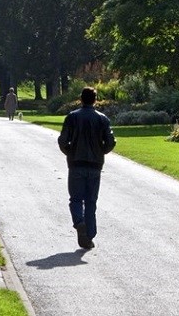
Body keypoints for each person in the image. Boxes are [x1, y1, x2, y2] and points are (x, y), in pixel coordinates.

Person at [57, 87, 116, 249]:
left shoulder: (72, 117)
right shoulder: (102, 119)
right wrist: (100, 151)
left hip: (76, 163)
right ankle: (89, 235)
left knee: (76, 199)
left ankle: (79, 222)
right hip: (95, 164)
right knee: (91, 201)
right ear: (95, 100)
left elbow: (62, 140)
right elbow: (111, 142)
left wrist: (70, 152)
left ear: (81, 99)